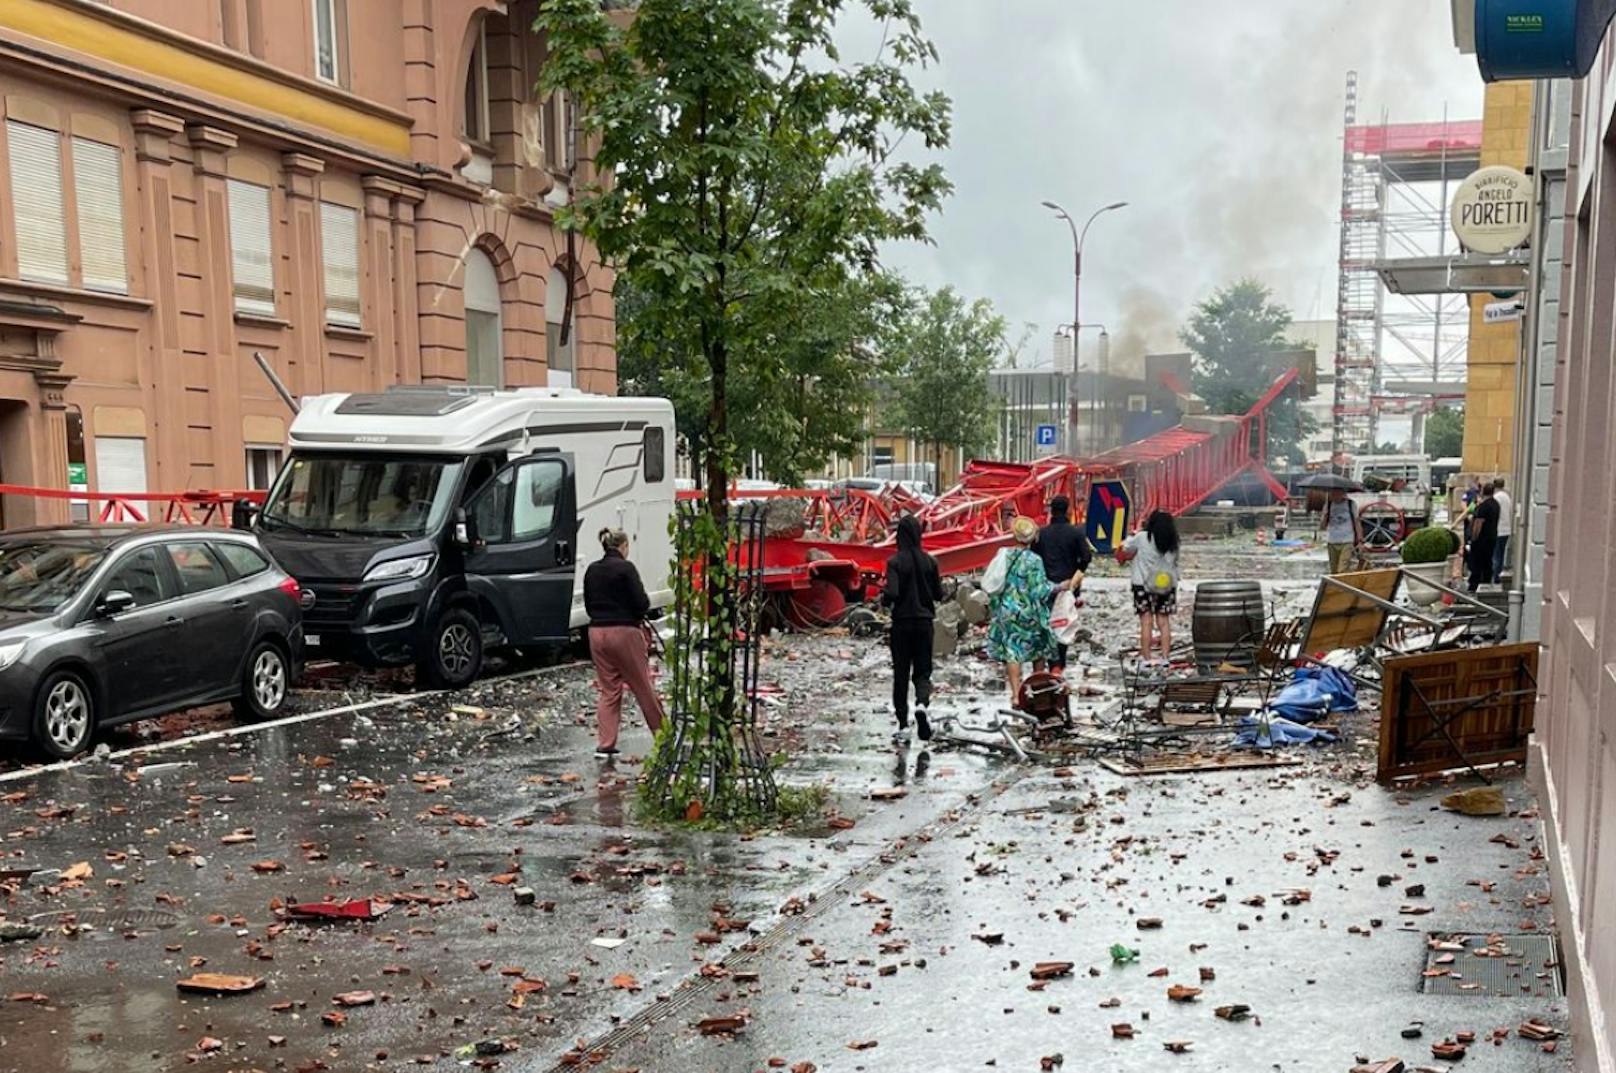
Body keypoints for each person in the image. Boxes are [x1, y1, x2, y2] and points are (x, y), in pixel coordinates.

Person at [583, 527, 666, 759]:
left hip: (597, 633)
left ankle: (605, 744)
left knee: (609, 689)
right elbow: (641, 603)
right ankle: (663, 736)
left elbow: (589, 605)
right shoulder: (626, 568)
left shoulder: (591, 570)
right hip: (624, 632)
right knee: (642, 686)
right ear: (623, 546)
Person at [987, 516, 1075, 709]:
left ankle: (1016, 695)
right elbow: (1039, 590)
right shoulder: (1035, 560)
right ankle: (1036, 691)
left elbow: (995, 585)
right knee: (1039, 650)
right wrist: (1060, 587)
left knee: (1013, 651)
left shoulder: (1004, 555)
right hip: (1029, 612)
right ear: (1033, 537)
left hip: (1008, 611)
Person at [881, 515, 943, 745]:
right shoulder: (931, 562)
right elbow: (938, 594)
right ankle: (921, 705)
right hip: (925, 623)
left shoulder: (895, 562)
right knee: (923, 671)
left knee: (901, 674)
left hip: (902, 624)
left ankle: (903, 724)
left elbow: (893, 593)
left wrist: (883, 598)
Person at [1034, 495, 1093, 671]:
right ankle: (1058, 665)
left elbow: (1034, 558)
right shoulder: (1075, 533)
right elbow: (1086, 557)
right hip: (1068, 587)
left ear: (1051, 510)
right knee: (1063, 625)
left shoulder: (1042, 533)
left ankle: (1042, 666)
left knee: (1044, 625)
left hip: (1045, 587)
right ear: (1067, 510)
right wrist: (1077, 574)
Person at [1117, 510, 1181, 665]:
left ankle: (1146, 658)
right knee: (1164, 622)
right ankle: (1165, 658)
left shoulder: (1142, 538)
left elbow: (1125, 549)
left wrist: (1133, 535)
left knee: (1146, 622)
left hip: (1142, 585)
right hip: (1165, 585)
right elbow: (1175, 563)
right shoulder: (1174, 542)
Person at [1468, 482, 1501, 592]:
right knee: (1488, 562)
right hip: (1492, 537)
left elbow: (1478, 523)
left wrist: (1473, 538)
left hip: (1481, 540)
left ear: (1483, 492)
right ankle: (1486, 583)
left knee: (1477, 564)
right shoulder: (1496, 504)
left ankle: (1473, 586)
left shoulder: (1483, 506)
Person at [1321, 488, 1361, 574]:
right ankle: (1336, 587)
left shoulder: (1351, 504)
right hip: (1332, 541)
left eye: (1336, 493)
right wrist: (1325, 515)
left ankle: (1342, 586)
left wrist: (1360, 541)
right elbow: (1322, 527)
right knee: (1334, 571)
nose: (1333, 495)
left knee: (1342, 569)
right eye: (1332, 493)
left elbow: (1357, 522)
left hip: (1347, 540)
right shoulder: (1329, 505)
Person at [1491, 477, 1514, 580]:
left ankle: (1496, 576)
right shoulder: (1507, 497)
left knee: (1496, 555)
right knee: (1501, 554)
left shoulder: (1496, 498)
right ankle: (1498, 574)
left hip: (1498, 529)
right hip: (1506, 529)